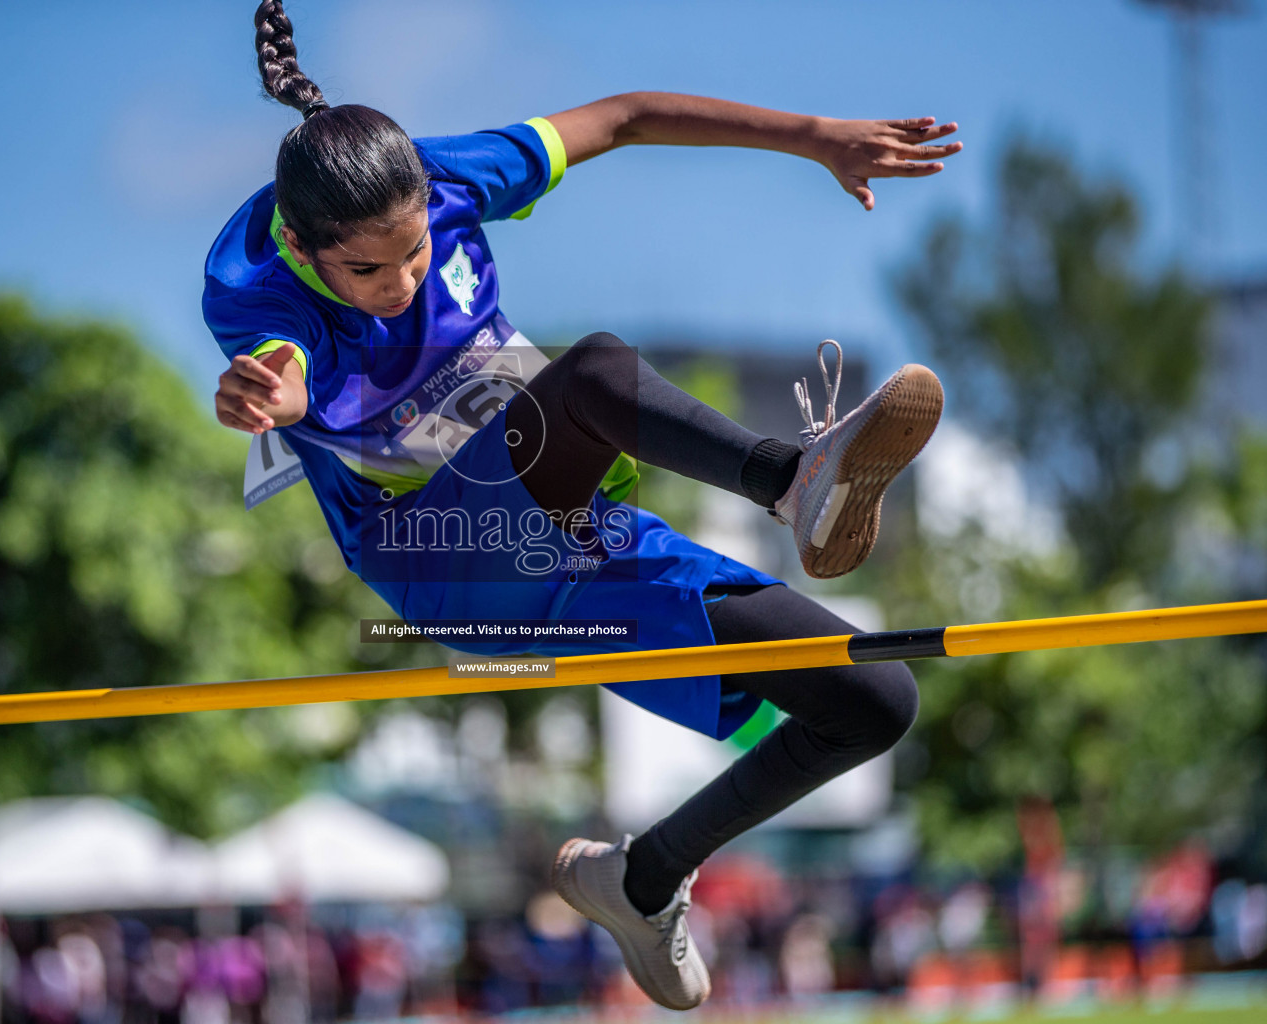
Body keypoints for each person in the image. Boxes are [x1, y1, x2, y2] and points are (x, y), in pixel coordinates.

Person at [207, 1, 958, 1009]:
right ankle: (789, 479)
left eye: (418, 249)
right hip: (439, 558)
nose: (403, 282)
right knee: (596, 370)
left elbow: (630, 116)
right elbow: (282, 364)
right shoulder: (255, 290)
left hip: (574, 535)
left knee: (872, 701)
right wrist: (271, 391)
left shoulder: (451, 172)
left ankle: (641, 878)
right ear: (302, 245)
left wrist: (813, 138)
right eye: (367, 271)